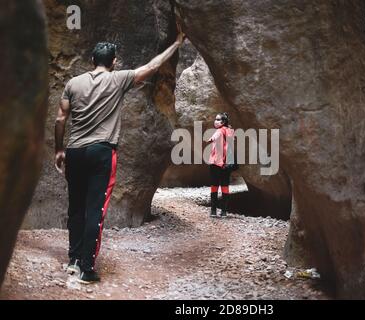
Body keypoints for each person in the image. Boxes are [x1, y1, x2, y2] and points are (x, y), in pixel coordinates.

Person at [54, 24, 185, 284]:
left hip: (75, 151)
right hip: (102, 152)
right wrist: (177, 43)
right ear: (114, 62)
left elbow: (60, 118)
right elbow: (152, 66)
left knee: (76, 207)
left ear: (92, 60)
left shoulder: (73, 83)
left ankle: (73, 259)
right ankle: (87, 269)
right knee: (95, 210)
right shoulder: (119, 78)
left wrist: (59, 149)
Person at [208, 113, 235, 218]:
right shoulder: (230, 131)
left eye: (218, 119)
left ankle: (213, 211)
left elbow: (211, 139)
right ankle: (224, 212)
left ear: (223, 122)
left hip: (216, 163)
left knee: (214, 186)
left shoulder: (219, 131)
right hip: (226, 164)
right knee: (225, 186)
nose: (215, 121)